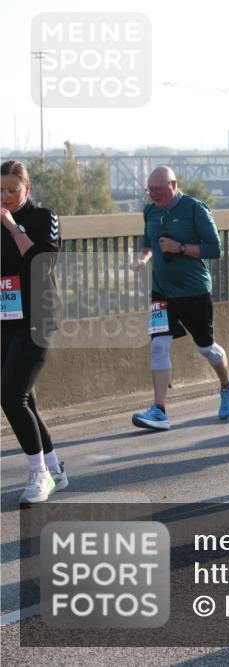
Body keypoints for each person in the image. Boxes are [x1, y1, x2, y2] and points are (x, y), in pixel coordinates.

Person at [130, 166, 229, 430]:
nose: (154, 195)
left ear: (174, 184)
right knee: (158, 345)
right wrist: (142, 259)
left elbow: (215, 249)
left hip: (194, 290)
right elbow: (149, 242)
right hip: (162, 291)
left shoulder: (194, 209)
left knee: (205, 347)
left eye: (158, 189)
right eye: (150, 190)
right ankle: (159, 410)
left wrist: (179, 248)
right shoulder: (150, 211)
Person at [1, 160, 67, 504]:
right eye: (1, 190)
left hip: (38, 318)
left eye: (13, 189)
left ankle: (39, 475)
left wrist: (14, 229)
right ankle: (55, 468)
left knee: (11, 397)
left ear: (27, 189)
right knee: (27, 400)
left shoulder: (43, 217)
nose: (7, 196)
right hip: (6, 320)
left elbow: (44, 263)